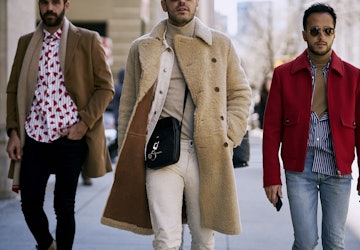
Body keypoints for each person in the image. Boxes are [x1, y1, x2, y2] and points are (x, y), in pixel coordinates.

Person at [101, 0, 251, 249]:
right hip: (161, 153)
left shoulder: (220, 44)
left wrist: (228, 135)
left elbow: (240, 93)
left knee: (203, 240)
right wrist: (131, 150)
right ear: (163, 4)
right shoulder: (143, 47)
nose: (182, 2)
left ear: (198, 3)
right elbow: (128, 105)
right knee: (166, 239)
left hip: (207, 154)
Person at [262, 3, 360, 249]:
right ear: (304, 34)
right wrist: (271, 177)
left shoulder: (353, 76)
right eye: (314, 31)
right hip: (300, 170)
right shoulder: (284, 75)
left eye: (327, 30)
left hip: (338, 171)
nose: (321, 36)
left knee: (334, 242)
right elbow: (271, 131)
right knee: (305, 242)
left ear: (334, 33)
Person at [5, 0, 114, 249]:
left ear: (67, 5)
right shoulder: (26, 43)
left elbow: (105, 87)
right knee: (30, 204)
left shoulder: (87, 39)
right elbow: (13, 90)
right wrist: (13, 131)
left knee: (64, 206)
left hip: (70, 137)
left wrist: (84, 123)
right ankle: (48, 244)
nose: (49, 8)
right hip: (34, 136)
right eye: (44, 3)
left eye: (56, 2)